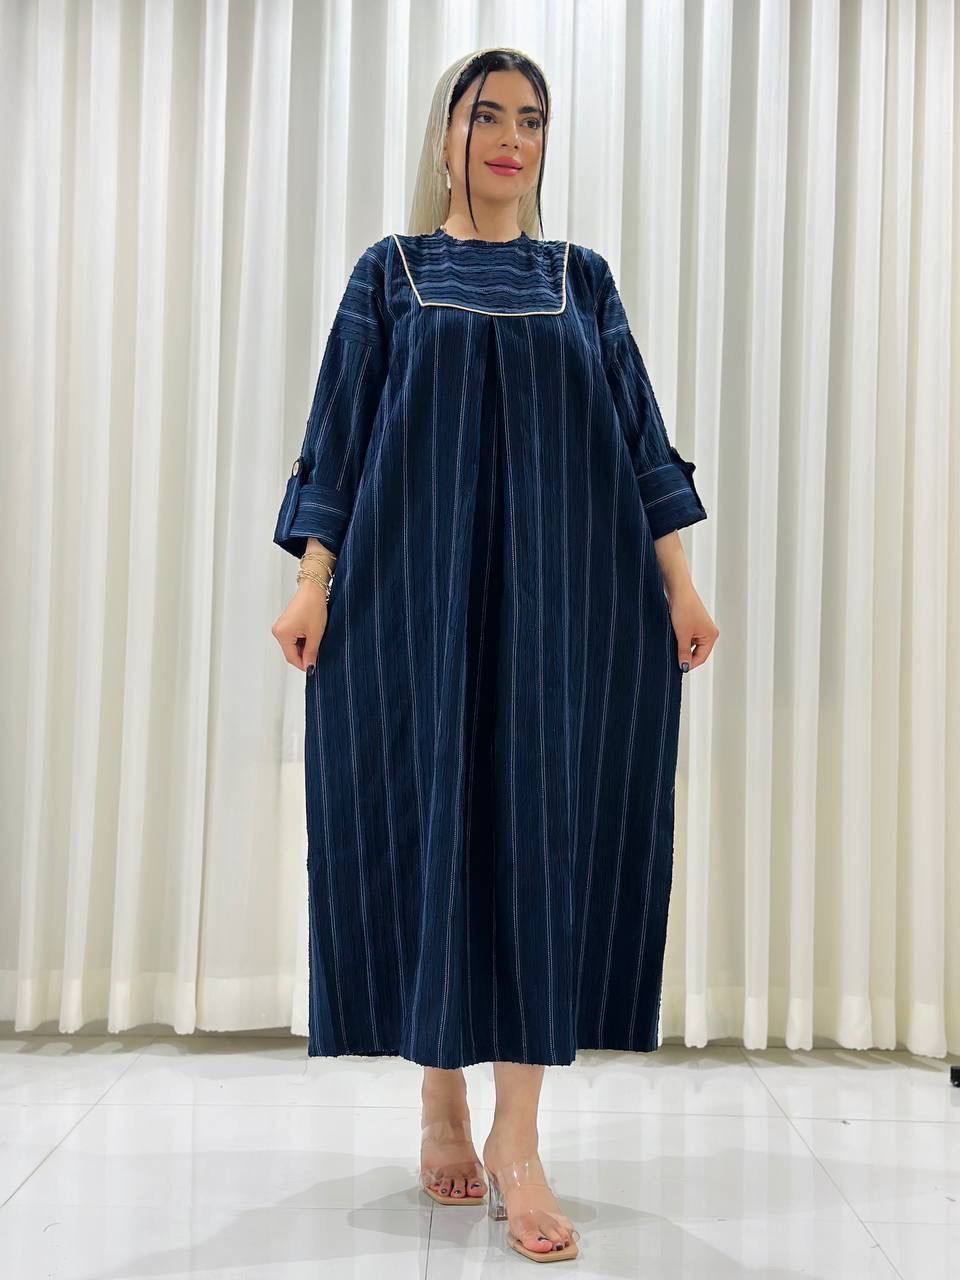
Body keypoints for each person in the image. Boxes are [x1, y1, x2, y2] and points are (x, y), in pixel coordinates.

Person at [271, 45, 718, 1265]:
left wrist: (680, 581)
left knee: (539, 841)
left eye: (531, 119)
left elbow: (640, 435)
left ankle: (518, 1135)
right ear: (447, 136)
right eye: (489, 116)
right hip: (411, 603)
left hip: (566, 605)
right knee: (431, 827)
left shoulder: (582, 279)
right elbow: (338, 436)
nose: (512, 138)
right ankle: (440, 1095)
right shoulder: (391, 272)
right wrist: (311, 582)